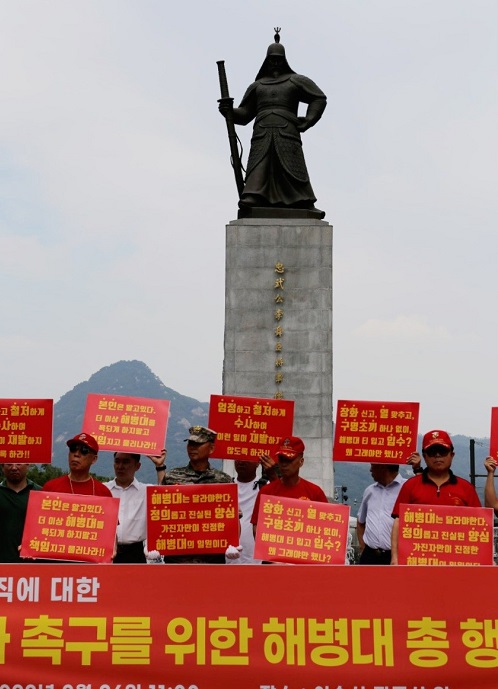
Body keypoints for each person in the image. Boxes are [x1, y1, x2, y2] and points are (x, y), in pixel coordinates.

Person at [219, 30, 327, 216]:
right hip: (262, 132)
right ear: (266, 60)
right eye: (272, 59)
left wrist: (309, 120)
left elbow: (319, 98)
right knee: (259, 165)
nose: (275, 62)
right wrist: (229, 112)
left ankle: (303, 201)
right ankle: (253, 197)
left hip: (287, 132)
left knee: (293, 168)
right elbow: (245, 114)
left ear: (284, 60)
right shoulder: (257, 86)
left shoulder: (295, 80)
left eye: (278, 59)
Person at [390, 429, 481, 565]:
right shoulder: (410, 486)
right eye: (432, 452)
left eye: (442, 451)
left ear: (452, 455)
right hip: (417, 560)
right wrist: (395, 557)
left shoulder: (466, 488)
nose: (438, 456)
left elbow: (479, 527)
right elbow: (398, 523)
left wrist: (485, 557)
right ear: (425, 456)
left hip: (457, 562)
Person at [149, 425, 233, 563]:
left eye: (198, 444)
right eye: (190, 443)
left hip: (212, 559)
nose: (192, 447)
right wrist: (155, 542)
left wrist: (232, 543)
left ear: (211, 448)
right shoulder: (172, 477)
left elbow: (232, 520)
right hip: (178, 558)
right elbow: (160, 514)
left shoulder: (223, 481)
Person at [251, 436, 328, 536]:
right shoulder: (266, 492)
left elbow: (327, 528)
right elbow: (257, 528)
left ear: (301, 462)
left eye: (289, 460)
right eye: (281, 459)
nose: (284, 464)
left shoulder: (315, 493)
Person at [104, 452, 149, 563]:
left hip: (135, 552)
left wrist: (160, 466)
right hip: (106, 550)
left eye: (126, 462)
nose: (120, 466)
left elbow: (165, 495)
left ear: (137, 466)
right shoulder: (103, 489)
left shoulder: (146, 491)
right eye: (117, 461)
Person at [356, 464, 406, 565]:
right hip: (370, 555)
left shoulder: (406, 487)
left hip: (396, 556)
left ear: (383, 467)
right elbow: (360, 522)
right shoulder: (370, 491)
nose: (370, 470)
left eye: (373, 466)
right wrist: (362, 547)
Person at [225, 460, 270, 565]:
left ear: (258, 462)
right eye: (238, 457)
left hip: (258, 563)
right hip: (229, 562)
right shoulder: (225, 486)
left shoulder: (267, 487)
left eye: (246, 458)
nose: (241, 461)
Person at [44, 433, 112, 497]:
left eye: (84, 450)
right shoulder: (50, 488)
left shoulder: (104, 493)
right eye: (73, 449)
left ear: (94, 459)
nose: (76, 454)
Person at [0, 463, 41, 562]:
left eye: (19, 463)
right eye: (9, 464)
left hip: (32, 565)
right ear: (2, 466)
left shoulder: (41, 493)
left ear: (28, 465)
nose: (14, 468)